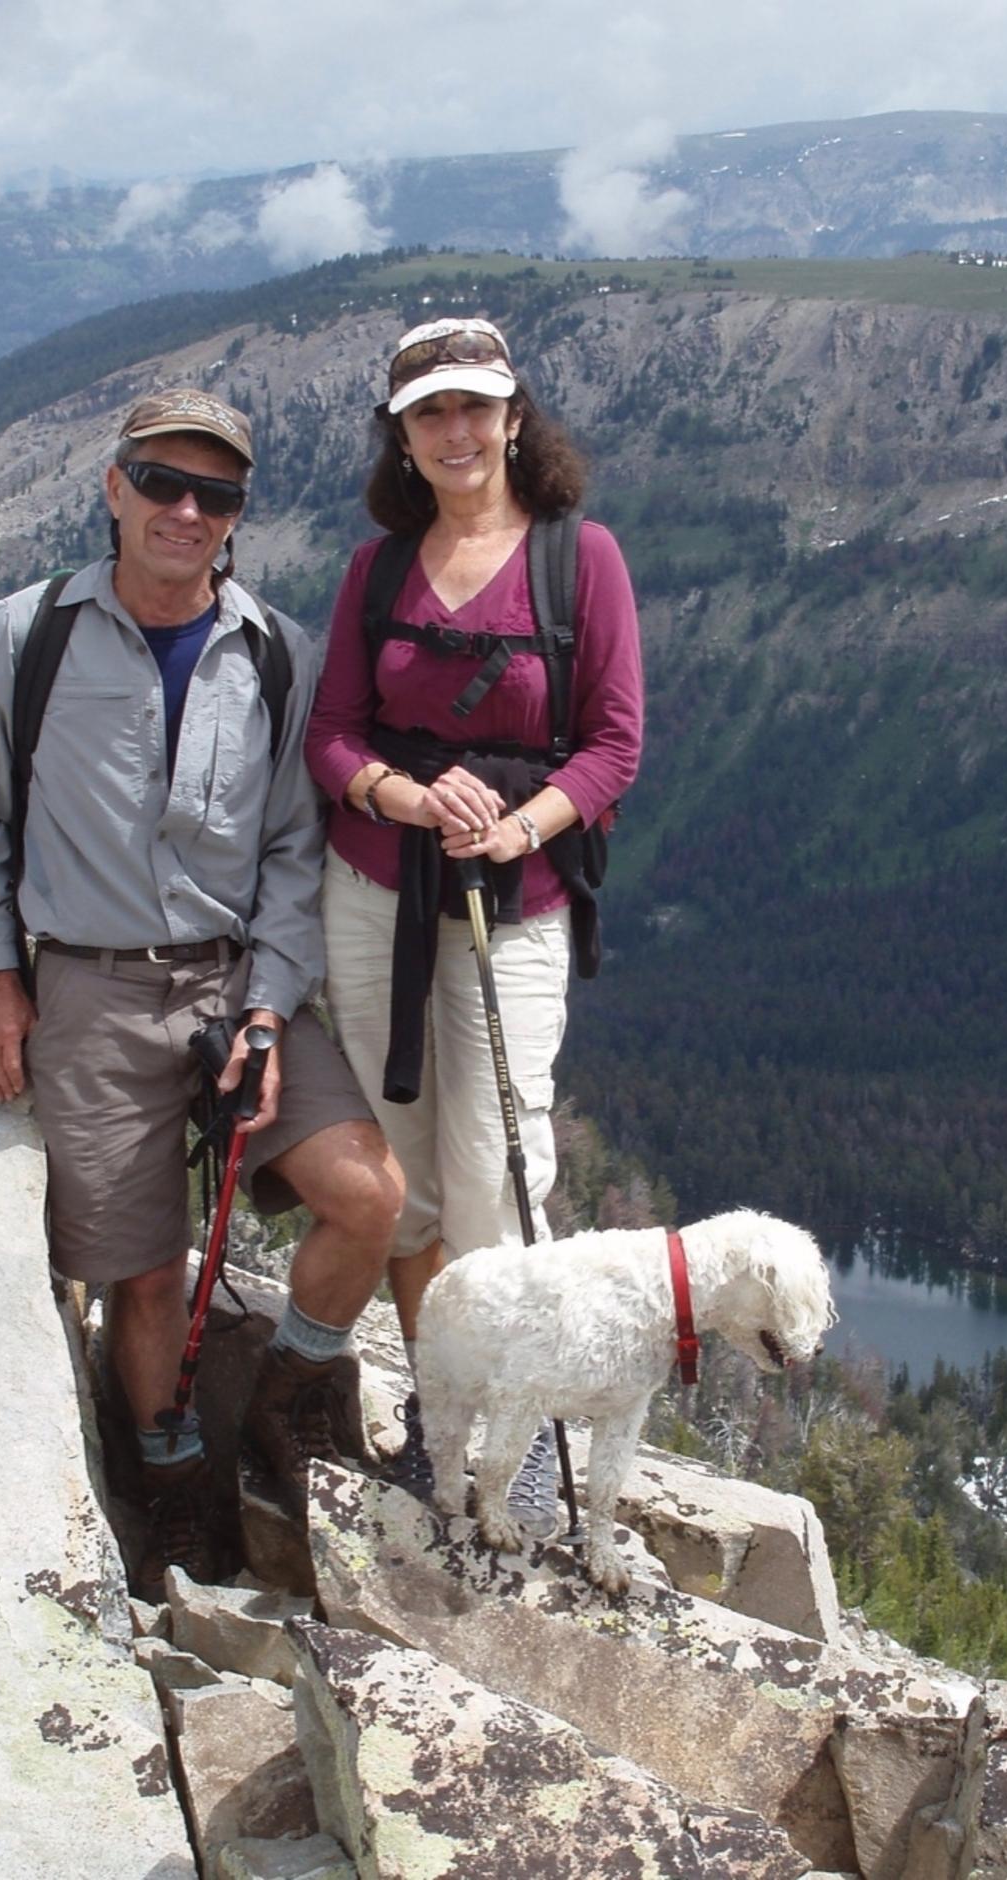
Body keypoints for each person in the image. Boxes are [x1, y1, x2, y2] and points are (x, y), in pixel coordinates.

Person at [0, 388, 403, 1598]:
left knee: (370, 1198)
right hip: (88, 989)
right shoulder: (24, 638)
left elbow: (294, 848)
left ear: (240, 513)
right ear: (114, 487)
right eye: (162, 482)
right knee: (141, 1272)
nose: (187, 510)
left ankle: (289, 1396)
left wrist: (266, 1002)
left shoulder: (276, 652)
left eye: (217, 493)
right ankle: (177, 1491)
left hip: (240, 982)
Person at [304, 318, 643, 1534]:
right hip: (376, 890)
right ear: (402, 435)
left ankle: (521, 1436)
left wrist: (522, 824)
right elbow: (332, 732)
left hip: (515, 902)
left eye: (475, 408)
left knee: (503, 1162)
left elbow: (613, 740)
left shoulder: (576, 558)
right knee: (404, 1174)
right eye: (429, 412)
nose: (455, 431)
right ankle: (444, 1419)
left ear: (513, 418)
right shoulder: (377, 571)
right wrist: (404, 794)